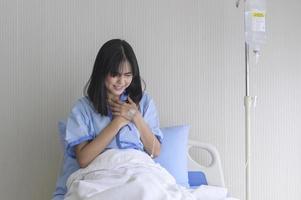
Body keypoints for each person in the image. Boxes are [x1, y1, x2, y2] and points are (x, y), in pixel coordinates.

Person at [65, 39, 163, 170]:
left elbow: (154, 152)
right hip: (100, 173)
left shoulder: (145, 102)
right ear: (102, 72)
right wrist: (118, 122)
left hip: (139, 170)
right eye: (115, 74)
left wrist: (136, 117)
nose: (121, 81)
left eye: (128, 75)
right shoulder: (83, 108)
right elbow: (83, 160)